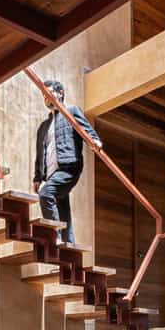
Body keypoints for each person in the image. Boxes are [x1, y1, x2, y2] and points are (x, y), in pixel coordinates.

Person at [33, 79, 102, 245]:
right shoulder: (44, 126)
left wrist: (95, 141)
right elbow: (40, 153)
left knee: (46, 194)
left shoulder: (71, 111)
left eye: (48, 93)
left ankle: (54, 236)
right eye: (44, 95)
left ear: (60, 93)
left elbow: (87, 130)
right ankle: (69, 248)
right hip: (51, 174)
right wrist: (37, 177)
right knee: (63, 211)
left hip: (68, 167)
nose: (46, 98)